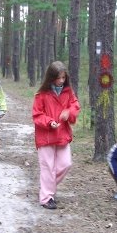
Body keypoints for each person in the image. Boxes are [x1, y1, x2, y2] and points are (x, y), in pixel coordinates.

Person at [32, 61, 81, 209]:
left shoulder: (68, 91)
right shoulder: (41, 94)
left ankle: (48, 189)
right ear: (51, 78)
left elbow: (75, 105)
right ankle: (46, 198)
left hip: (62, 135)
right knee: (48, 167)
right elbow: (36, 115)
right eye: (58, 78)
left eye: (63, 78)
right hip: (45, 136)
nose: (61, 81)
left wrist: (69, 112)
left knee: (66, 164)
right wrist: (49, 122)